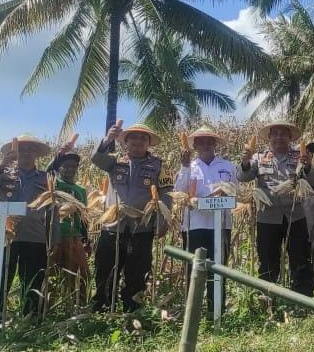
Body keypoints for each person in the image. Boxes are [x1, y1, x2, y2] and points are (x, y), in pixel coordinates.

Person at [90, 122, 172, 313]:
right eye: (133, 137)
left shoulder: (159, 165)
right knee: (106, 269)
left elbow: (166, 194)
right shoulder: (114, 161)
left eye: (143, 138)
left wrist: (162, 221)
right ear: (125, 141)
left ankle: (132, 311)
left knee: (137, 272)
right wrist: (107, 139)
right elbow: (95, 158)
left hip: (141, 228)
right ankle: (102, 310)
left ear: (149, 143)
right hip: (113, 227)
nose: (138, 141)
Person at [239, 121, 314, 296]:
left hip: (295, 216)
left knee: (300, 259)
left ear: (290, 137)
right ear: (269, 137)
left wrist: (308, 166)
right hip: (267, 218)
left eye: (283, 134)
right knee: (268, 261)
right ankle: (267, 299)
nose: (279, 137)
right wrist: (245, 162)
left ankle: (302, 299)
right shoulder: (259, 158)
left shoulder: (299, 157)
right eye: (275, 134)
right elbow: (243, 177)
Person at [0, 133, 57, 318]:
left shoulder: (46, 178)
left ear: (37, 154)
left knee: (33, 282)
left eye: (31, 149)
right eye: (22, 149)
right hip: (4, 236)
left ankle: (30, 320)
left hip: (34, 237)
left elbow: (52, 210)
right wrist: (2, 164)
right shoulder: (4, 174)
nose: (26, 152)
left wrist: (53, 240)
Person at [176, 126, 235, 313]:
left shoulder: (228, 166)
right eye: (201, 142)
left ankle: (216, 311)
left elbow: (235, 193)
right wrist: (184, 167)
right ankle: (192, 312)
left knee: (218, 269)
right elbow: (180, 192)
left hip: (221, 225)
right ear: (195, 145)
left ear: (215, 144)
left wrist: (224, 195)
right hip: (194, 225)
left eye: (210, 141)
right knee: (194, 269)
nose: (206, 145)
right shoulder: (189, 166)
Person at [48, 145, 90, 306]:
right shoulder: (53, 184)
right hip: (55, 237)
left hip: (74, 237)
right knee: (52, 274)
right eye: (66, 166)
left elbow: (84, 217)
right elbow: (48, 172)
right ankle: (48, 306)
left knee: (82, 275)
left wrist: (86, 240)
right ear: (59, 168)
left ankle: (78, 305)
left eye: (74, 166)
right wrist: (59, 155)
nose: (70, 169)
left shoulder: (81, 190)